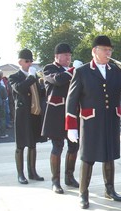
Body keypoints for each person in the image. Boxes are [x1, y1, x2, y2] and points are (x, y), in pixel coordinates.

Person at [66, 35, 121, 209]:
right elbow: (71, 100)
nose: (108, 53)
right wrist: (71, 127)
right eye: (105, 50)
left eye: (110, 50)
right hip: (90, 121)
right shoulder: (82, 72)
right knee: (88, 157)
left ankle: (110, 189)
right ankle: (83, 192)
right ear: (94, 51)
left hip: (111, 119)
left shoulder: (116, 70)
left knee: (109, 155)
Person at [42, 43, 82, 194]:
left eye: (70, 55)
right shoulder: (49, 68)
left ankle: (69, 177)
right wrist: (73, 70)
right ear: (56, 56)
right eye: (65, 55)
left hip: (72, 113)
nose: (68, 58)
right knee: (57, 147)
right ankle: (55, 181)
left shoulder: (73, 71)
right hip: (57, 114)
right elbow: (57, 80)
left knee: (74, 146)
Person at [9, 48, 46, 184]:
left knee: (33, 144)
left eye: (31, 61)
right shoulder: (14, 77)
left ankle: (32, 172)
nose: (30, 63)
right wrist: (31, 78)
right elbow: (19, 88)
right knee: (21, 145)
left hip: (34, 113)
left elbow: (39, 93)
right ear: (20, 62)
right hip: (22, 115)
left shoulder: (34, 76)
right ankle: (20, 174)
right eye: (27, 61)